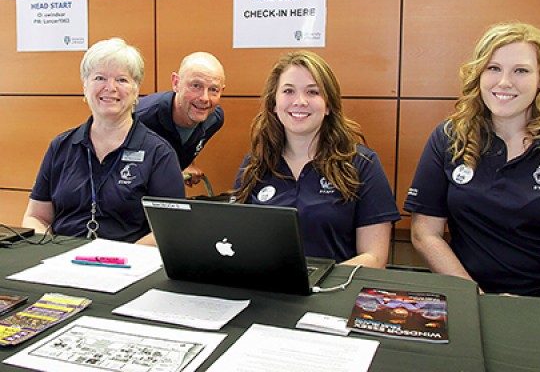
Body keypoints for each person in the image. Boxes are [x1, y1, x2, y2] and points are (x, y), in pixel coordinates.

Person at [403, 22, 540, 301]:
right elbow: (425, 232)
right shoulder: (449, 139)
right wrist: (474, 297)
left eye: (521, 70)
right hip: (470, 300)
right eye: (493, 68)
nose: (504, 82)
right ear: (479, 74)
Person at [233, 51, 400, 268]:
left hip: (335, 295)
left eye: (312, 92)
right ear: (274, 103)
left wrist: (314, 283)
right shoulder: (254, 165)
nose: (300, 101)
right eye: (288, 91)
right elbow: (235, 241)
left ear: (329, 105)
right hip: (266, 296)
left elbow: (374, 257)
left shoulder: (361, 164)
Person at [22, 38, 185, 244]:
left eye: (122, 80)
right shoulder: (60, 147)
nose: (111, 88)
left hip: (127, 267)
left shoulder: (159, 154)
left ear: (136, 90)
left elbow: (171, 228)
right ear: (85, 86)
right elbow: (36, 216)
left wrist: (119, 259)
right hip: (61, 263)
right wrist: (49, 251)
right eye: (100, 78)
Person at [136, 52, 225, 187]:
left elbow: (185, 143)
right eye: (196, 86)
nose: (205, 98)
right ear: (176, 83)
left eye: (213, 89)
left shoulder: (213, 119)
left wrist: (187, 163)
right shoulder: (139, 118)